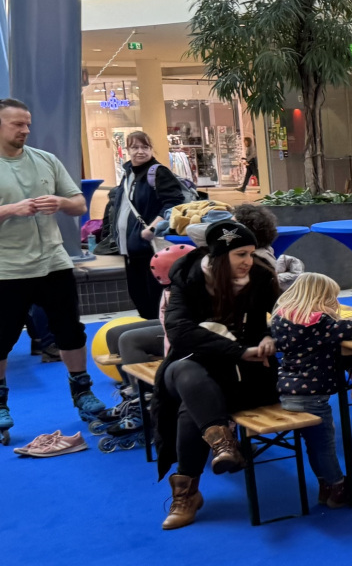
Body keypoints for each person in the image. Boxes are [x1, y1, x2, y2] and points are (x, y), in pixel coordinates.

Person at [154, 220, 281, 529]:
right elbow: (179, 331)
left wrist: (270, 336)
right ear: (220, 256)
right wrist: (237, 350)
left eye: (251, 253)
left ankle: (188, 493)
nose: (248, 261)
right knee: (186, 372)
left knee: (192, 407)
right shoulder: (188, 277)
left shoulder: (261, 277)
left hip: (243, 378)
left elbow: (286, 316)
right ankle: (223, 446)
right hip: (190, 366)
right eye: (241, 254)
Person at [0, 96, 109, 444]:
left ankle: (83, 392)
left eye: (28, 124)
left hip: (53, 262)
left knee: (70, 331)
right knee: (1, 338)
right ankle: (0, 404)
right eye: (18, 124)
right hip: (7, 268)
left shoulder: (45, 160)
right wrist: (10, 210)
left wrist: (61, 202)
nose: (25, 130)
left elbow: (78, 203)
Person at [268, 272, 352, 507]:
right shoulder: (319, 323)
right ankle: (338, 488)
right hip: (314, 396)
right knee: (325, 446)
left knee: (314, 445)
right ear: (321, 298)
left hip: (288, 389)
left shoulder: (281, 318)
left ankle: (325, 486)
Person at [108, 130, 193, 320]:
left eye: (145, 147)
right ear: (127, 150)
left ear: (151, 149)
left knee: (153, 299)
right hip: (131, 249)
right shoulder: (128, 173)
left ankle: (157, 332)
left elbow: (173, 203)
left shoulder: (158, 172)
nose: (140, 151)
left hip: (150, 247)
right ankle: (150, 330)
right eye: (135, 147)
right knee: (139, 296)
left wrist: (153, 227)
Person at [231, 203, 305, 290]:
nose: (226, 230)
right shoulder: (263, 255)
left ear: (247, 232)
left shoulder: (256, 263)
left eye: (232, 226)